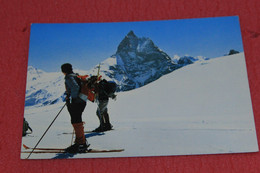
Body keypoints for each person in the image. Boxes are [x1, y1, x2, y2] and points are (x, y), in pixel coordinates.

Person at [61, 63, 89, 153]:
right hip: (82, 101)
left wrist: (72, 98)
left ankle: (80, 144)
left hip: (76, 102)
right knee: (77, 121)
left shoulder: (69, 77)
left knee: (75, 121)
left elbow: (75, 87)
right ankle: (81, 142)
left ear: (63, 70)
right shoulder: (76, 76)